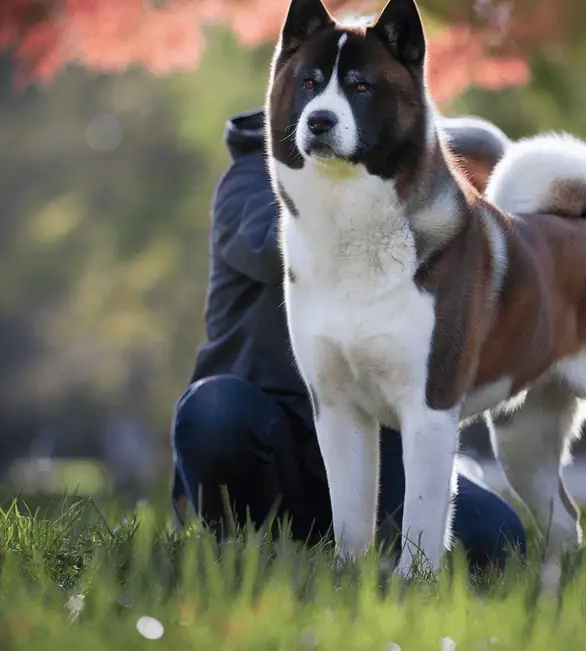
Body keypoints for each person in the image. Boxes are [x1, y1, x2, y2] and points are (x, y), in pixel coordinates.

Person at [169, 108, 526, 573]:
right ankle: (237, 546)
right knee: (215, 411)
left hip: (376, 448)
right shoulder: (252, 180)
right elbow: (273, 248)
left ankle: (365, 544)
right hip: (267, 434)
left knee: (498, 537)